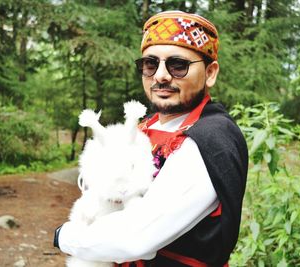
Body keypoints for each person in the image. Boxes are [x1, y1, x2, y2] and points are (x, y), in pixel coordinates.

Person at [54, 10, 248, 267]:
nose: (161, 75)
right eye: (150, 64)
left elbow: (137, 236)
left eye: (178, 65)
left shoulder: (211, 138)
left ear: (210, 73)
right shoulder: (143, 128)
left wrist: (65, 236)